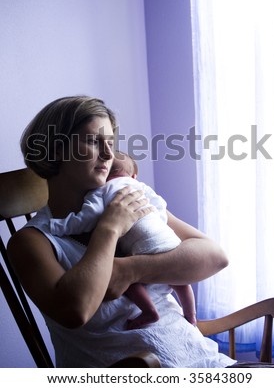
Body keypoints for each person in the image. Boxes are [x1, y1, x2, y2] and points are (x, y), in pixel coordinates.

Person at [7, 95, 235, 368]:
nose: (108, 155)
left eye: (111, 144)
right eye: (93, 142)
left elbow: (214, 256)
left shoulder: (125, 198)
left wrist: (130, 269)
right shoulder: (32, 241)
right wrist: (109, 228)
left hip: (207, 362)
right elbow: (74, 310)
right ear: (56, 150)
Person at [50, 150, 197, 330]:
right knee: (182, 282)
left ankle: (149, 311)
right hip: (168, 239)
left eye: (110, 143)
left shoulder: (102, 190)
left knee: (130, 283)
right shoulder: (140, 187)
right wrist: (159, 220)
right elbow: (159, 204)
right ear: (134, 175)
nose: (106, 152)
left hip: (139, 247)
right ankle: (191, 315)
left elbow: (87, 217)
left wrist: (62, 226)